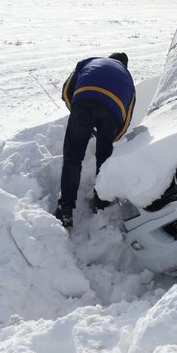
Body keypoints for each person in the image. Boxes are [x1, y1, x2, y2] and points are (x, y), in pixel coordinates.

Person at [54, 52, 135, 229]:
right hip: (112, 112)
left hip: (83, 101)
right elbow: (126, 121)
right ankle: (101, 202)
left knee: (73, 157)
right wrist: (108, 138)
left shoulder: (90, 61)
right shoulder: (128, 80)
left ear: (110, 58)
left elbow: (67, 91)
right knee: (104, 160)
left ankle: (65, 209)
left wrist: (76, 113)